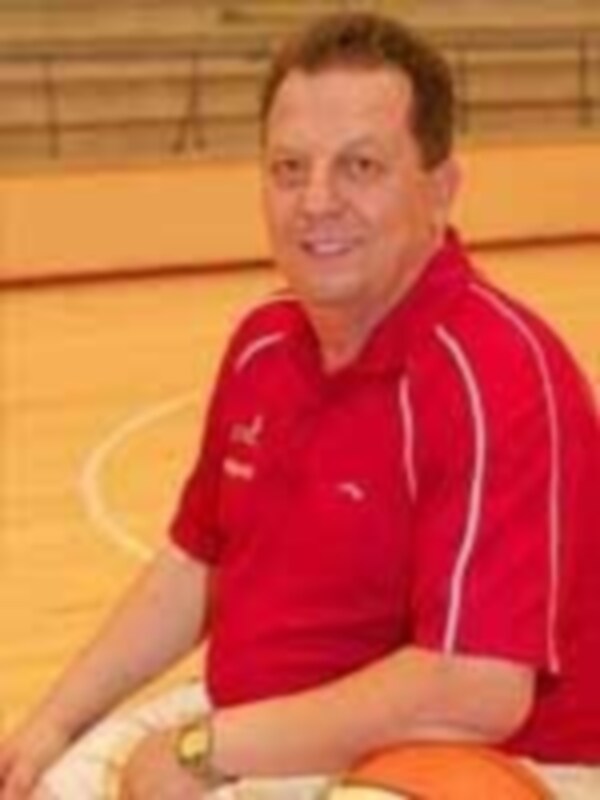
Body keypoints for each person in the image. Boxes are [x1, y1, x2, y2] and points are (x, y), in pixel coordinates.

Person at [1, 11, 599, 800]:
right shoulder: (263, 342)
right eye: (289, 168)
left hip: (481, 758)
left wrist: (200, 749)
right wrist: (53, 722)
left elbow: (473, 689)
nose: (316, 200)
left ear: (442, 188)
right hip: (274, 726)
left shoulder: (497, 374)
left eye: (360, 166)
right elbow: (196, 561)